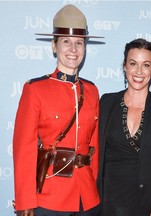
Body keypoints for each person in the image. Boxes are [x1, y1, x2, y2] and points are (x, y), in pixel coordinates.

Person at [13, 4, 103, 216]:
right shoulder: (35, 90)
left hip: (86, 197)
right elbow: (23, 151)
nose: (73, 49)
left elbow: (94, 147)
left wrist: (93, 187)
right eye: (66, 42)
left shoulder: (91, 91)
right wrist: (26, 202)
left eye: (79, 43)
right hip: (50, 197)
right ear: (54, 46)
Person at [97, 38, 151, 216]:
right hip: (110, 203)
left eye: (146, 65)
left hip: (150, 201)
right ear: (124, 66)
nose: (139, 71)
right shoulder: (106, 103)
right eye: (133, 63)